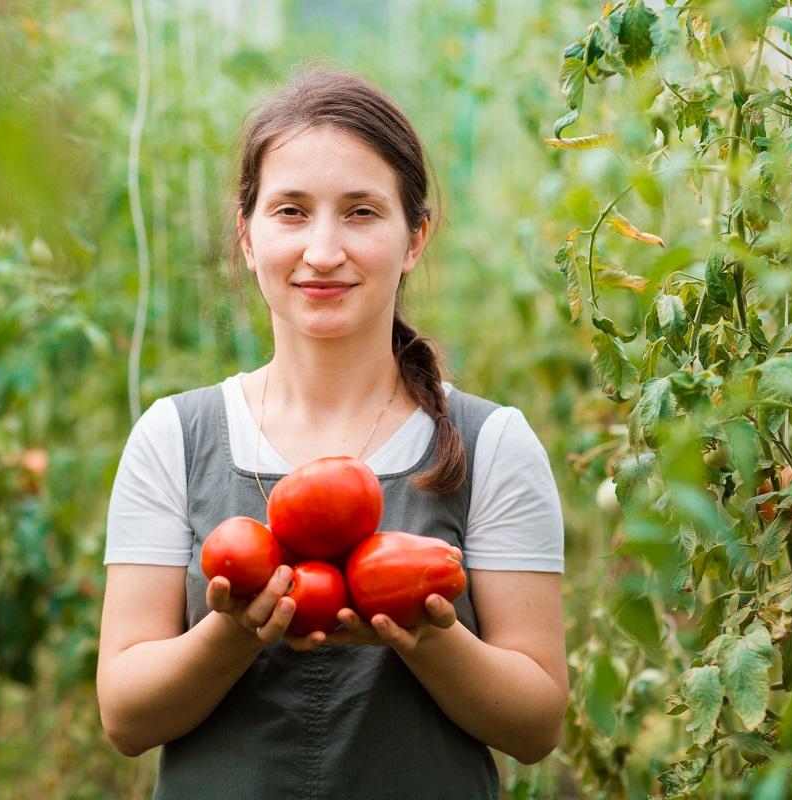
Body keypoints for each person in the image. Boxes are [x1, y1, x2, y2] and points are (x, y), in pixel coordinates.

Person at [96, 69, 567, 800]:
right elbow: (125, 715)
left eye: (360, 213)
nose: (322, 251)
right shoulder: (174, 438)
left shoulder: (494, 444)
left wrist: (429, 637)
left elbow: (536, 723)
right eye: (290, 211)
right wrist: (232, 633)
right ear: (247, 237)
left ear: (415, 238)